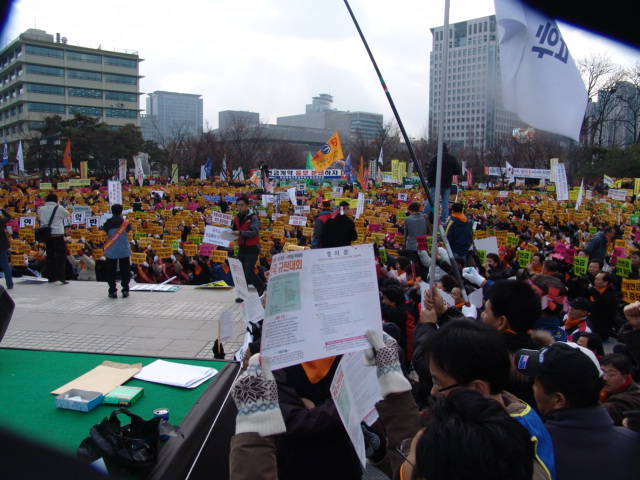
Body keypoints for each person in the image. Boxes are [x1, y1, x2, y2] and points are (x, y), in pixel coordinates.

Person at [419, 317, 555, 480]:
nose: (433, 392)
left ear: (477, 389)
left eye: (439, 382)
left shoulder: (508, 449)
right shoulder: (511, 413)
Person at [514, 342, 640, 480]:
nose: (533, 388)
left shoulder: (533, 448)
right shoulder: (632, 443)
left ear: (558, 400)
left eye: (536, 383)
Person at [231, 196, 265, 301]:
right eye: (238, 205)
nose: (240, 207)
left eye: (242, 205)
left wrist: (241, 233)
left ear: (247, 206)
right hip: (242, 248)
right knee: (241, 272)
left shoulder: (253, 217)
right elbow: (233, 230)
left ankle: (261, 286)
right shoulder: (237, 218)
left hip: (252, 248)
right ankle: (242, 294)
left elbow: (255, 232)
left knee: (249, 272)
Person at [423, 143, 460, 224]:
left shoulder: (436, 158)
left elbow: (431, 171)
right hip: (447, 183)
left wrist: (430, 181)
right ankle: (444, 219)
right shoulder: (452, 158)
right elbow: (457, 170)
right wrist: (450, 172)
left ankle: (425, 216)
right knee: (445, 202)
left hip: (436, 183)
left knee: (431, 200)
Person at [37, 193, 71, 284]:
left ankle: (50, 277)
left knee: (50, 256)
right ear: (56, 200)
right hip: (57, 235)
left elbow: (40, 217)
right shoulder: (59, 208)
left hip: (47, 235)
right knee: (60, 256)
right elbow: (67, 214)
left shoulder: (41, 209)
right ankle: (61, 276)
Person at [600, 353, 640, 426]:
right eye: (602, 373)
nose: (605, 378)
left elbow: (599, 413)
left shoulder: (628, 401)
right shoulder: (610, 390)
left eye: (611, 375)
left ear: (625, 377)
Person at [102, 204, 132, 298]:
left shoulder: (107, 223)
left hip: (111, 250)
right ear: (121, 211)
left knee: (111, 272)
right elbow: (128, 230)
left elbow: (105, 231)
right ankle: (125, 290)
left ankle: (112, 291)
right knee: (125, 271)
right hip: (124, 250)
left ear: (111, 211)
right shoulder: (126, 223)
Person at [588, 272, 619, 340]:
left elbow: (601, 301)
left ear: (605, 282)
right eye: (595, 279)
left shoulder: (611, 295)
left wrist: (592, 290)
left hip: (601, 328)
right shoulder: (595, 290)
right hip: (591, 323)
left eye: (598, 279)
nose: (595, 281)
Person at [0, 207, 13, 290]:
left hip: (2, 246)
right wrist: (3, 210)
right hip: (2, 246)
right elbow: (9, 217)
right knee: (5, 265)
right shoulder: (0, 221)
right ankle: (9, 284)